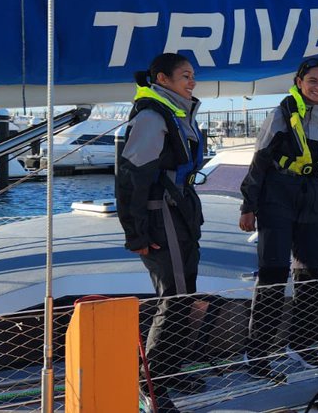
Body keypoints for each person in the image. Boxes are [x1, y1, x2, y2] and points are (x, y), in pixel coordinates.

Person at [239, 58, 318, 378]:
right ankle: (256, 352)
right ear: (299, 82)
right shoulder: (281, 114)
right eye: (312, 81)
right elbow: (259, 162)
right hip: (277, 198)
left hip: (314, 201)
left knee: (311, 276)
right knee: (273, 274)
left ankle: (301, 344)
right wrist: (248, 206)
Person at [115, 53, 207, 411]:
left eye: (193, 75)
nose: (192, 81)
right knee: (173, 298)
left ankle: (168, 373)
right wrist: (135, 234)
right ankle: (149, 384)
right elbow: (130, 178)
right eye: (185, 75)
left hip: (181, 215)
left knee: (185, 295)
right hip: (161, 217)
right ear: (162, 79)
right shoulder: (153, 117)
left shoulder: (178, 112)